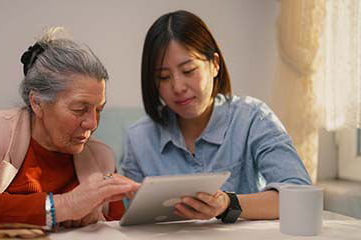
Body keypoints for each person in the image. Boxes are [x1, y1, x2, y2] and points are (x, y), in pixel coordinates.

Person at [0, 27, 139, 236]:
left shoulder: (101, 157)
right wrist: (63, 206)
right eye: (79, 109)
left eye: (99, 109)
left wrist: (96, 218)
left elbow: (118, 231)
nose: (93, 123)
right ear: (37, 103)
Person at [121, 10, 311, 223]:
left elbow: (300, 195)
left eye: (188, 70)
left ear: (215, 64)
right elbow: (134, 222)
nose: (178, 87)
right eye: (164, 77)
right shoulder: (138, 139)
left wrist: (228, 203)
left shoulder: (252, 118)